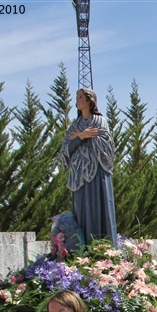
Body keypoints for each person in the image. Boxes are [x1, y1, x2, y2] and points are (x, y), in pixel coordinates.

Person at [60, 88, 117, 246]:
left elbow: (107, 146)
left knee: (98, 209)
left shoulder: (99, 121)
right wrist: (81, 136)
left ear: (90, 101)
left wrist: (85, 138)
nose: (77, 101)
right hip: (79, 174)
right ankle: (80, 248)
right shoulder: (75, 125)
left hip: (97, 172)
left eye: (80, 97)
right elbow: (66, 148)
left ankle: (102, 248)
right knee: (81, 210)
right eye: (76, 97)